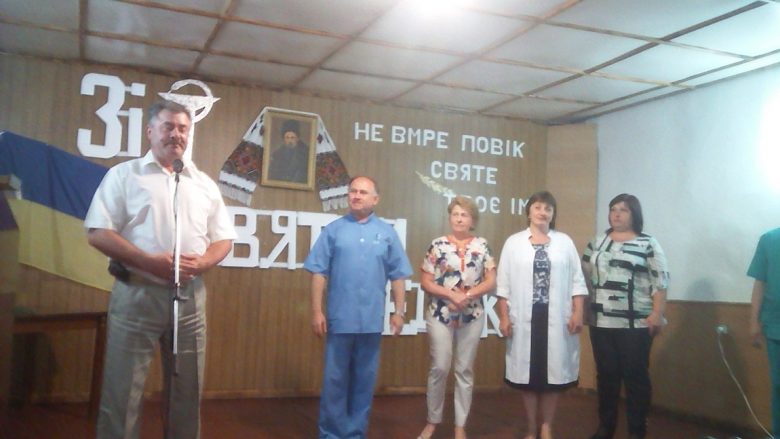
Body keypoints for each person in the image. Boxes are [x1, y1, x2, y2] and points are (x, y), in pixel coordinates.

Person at [84, 100, 236, 439]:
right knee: (123, 390)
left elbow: (224, 239)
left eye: (183, 128)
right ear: (150, 131)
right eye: (168, 126)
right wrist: (148, 261)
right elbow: (97, 232)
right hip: (137, 292)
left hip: (191, 299)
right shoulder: (124, 175)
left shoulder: (203, 183)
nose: (176, 134)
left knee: (187, 391)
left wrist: (205, 262)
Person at [304, 175, 413, 439]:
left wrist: (399, 312)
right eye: (353, 191)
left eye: (363, 192)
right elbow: (318, 272)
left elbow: (398, 275)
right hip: (340, 319)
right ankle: (331, 434)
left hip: (371, 322)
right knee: (335, 381)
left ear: (375, 199)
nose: (356, 196)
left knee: (364, 382)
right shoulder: (333, 230)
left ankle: (354, 433)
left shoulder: (387, 233)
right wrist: (317, 311)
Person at [496, 190, 586, 439]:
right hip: (525, 317)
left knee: (552, 379)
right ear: (528, 212)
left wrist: (578, 312)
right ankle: (530, 427)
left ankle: (546, 427)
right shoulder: (514, 243)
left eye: (548, 208)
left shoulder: (564, 242)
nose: (542, 212)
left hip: (556, 317)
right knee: (528, 378)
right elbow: (503, 285)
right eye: (537, 207)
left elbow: (577, 281)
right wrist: (504, 317)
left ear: (553, 214)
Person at [581, 193, 669, 439]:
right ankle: (605, 427)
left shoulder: (648, 243)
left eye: (623, 210)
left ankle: (637, 431)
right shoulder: (597, 242)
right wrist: (583, 309)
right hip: (600, 321)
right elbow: (583, 277)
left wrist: (657, 313)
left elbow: (660, 281)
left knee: (635, 378)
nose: (617, 214)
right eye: (613, 209)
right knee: (606, 376)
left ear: (634, 214)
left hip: (636, 323)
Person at [417, 196, 497, 439]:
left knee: (464, 369)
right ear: (450, 217)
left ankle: (460, 425)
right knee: (440, 367)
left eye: (464, 215)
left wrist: (467, 295)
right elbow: (426, 281)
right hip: (440, 313)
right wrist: (451, 294)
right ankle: (432, 421)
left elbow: (491, 280)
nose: (459, 219)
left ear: (472, 220)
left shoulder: (482, 245)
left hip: (472, 315)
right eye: (455, 214)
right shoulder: (437, 245)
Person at [748, 227, 780, 436]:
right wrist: (754, 321)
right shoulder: (769, 239)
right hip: (775, 324)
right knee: (778, 386)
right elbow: (760, 282)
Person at [267, 119, 310, 183]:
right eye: (287, 137)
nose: (290, 141)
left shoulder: (306, 153)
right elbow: (272, 174)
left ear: (297, 138)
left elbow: (305, 174)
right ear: (284, 139)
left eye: (292, 138)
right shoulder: (277, 154)